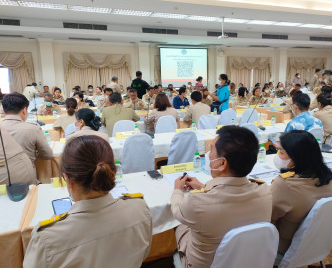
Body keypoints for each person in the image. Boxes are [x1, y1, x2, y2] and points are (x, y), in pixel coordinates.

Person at [23, 135, 152, 268]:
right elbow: (144, 254)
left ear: (67, 179)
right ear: (112, 171)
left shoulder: (47, 239)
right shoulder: (140, 208)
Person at [171, 126, 272, 268]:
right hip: (247, 262)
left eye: (211, 150)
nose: (207, 155)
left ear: (222, 163)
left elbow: (176, 210)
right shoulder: (265, 192)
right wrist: (202, 186)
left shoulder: (197, 202)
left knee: (180, 225)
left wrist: (177, 190)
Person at [271, 130, 332, 257]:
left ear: (295, 158)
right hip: (318, 243)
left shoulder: (285, 184)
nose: (278, 155)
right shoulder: (329, 177)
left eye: (281, 152)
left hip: (285, 247)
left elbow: (267, 216)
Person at [0, 93, 53, 170]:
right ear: (24, 110)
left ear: (3, 111)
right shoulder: (33, 129)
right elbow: (48, 155)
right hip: (26, 177)